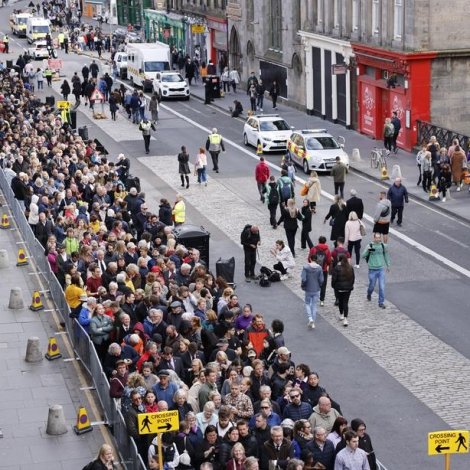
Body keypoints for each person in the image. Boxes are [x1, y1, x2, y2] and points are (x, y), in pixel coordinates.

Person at [362, 233, 390, 309]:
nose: (378, 239)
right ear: (374, 238)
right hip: (372, 270)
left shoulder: (383, 246)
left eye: (379, 238)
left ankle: (381, 302)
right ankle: (369, 294)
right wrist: (369, 250)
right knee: (371, 285)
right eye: (376, 238)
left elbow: (386, 255)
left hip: (380, 269)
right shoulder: (370, 246)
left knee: (382, 287)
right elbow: (363, 255)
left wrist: (388, 265)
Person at [300, 252, 324, 329]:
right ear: (316, 260)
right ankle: (313, 321)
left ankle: (310, 318)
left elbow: (303, 279)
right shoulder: (319, 268)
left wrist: (303, 285)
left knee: (307, 303)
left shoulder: (306, 267)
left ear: (310, 259)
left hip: (308, 289)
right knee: (314, 305)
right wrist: (319, 285)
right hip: (316, 289)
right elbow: (321, 280)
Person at [331, 254, 355, 327]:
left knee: (340, 302)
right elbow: (353, 278)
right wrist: (350, 285)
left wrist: (333, 286)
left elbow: (334, 278)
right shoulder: (350, 268)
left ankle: (341, 314)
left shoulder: (337, 268)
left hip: (339, 288)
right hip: (348, 288)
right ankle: (345, 318)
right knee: (345, 303)